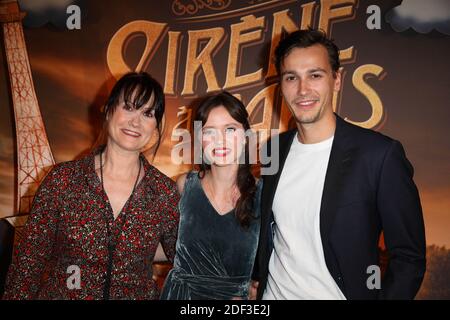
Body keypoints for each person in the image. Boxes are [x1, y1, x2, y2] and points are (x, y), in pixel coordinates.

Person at [251, 29, 426, 300]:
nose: (302, 89)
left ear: (337, 80)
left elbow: (409, 258)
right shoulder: (273, 149)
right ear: (281, 85)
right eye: (291, 77)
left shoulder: (379, 155)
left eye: (315, 75)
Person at [3, 72, 180, 300]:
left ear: (156, 125)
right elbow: (28, 264)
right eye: (128, 107)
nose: (136, 122)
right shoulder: (64, 180)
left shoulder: (163, 192)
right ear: (108, 110)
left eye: (147, 113)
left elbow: (189, 261)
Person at [160, 91, 261, 300]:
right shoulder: (184, 185)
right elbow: (163, 245)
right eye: (209, 132)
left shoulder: (263, 194)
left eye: (230, 129)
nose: (220, 140)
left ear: (246, 137)